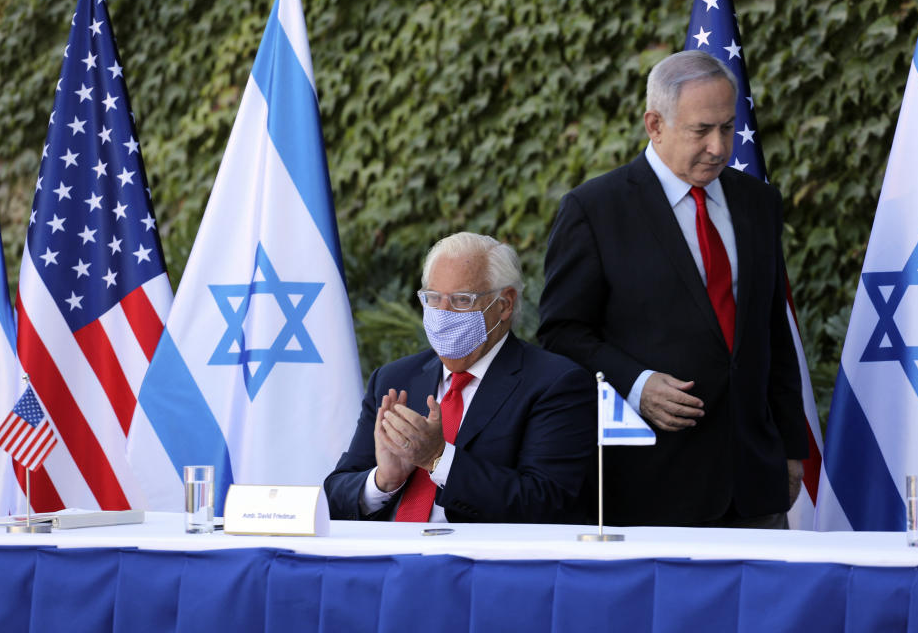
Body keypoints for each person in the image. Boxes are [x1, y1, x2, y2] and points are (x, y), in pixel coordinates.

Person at [538, 50, 808, 528]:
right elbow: (561, 333)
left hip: (756, 484)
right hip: (651, 486)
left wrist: (790, 450)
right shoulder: (594, 209)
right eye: (701, 130)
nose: (719, 147)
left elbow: (772, 333)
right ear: (654, 124)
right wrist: (636, 384)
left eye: (727, 127)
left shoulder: (758, 203)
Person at [325, 232, 595, 524]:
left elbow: (545, 502)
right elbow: (335, 496)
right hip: (387, 560)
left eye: (461, 300)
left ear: (504, 304)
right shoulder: (394, 378)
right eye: (432, 298)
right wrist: (383, 481)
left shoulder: (556, 383)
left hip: (478, 564)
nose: (442, 313)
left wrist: (439, 460)